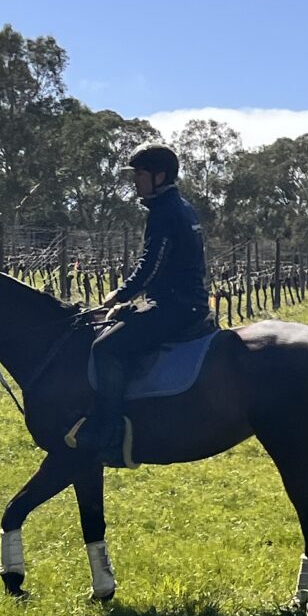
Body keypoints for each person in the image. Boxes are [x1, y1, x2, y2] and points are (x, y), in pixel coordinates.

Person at [74, 142, 212, 458]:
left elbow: (152, 265)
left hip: (174, 307)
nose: (134, 181)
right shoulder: (182, 206)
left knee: (105, 346)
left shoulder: (164, 212)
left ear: (159, 176)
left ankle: (109, 430)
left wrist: (120, 295)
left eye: (139, 174)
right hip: (186, 302)